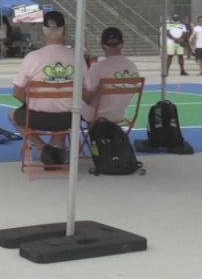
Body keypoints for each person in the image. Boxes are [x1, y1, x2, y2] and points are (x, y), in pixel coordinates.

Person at [9, 11, 77, 168]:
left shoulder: (32, 58)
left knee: (13, 115)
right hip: (68, 117)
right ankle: (55, 148)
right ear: (65, 31)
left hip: (36, 117)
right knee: (66, 110)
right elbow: (86, 91)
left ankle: (41, 146)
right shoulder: (76, 56)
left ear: (42, 31)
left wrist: (33, 102)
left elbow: (17, 92)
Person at [82, 27, 141, 124]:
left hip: (95, 116)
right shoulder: (133, 67)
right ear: (122, 44)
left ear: (102, 45)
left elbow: (87, 98)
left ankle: (82, 138)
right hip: (118, 115)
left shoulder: (98, 68)